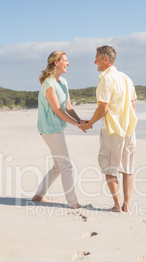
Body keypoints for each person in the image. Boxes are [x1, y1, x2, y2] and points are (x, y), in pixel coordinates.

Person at [81, 46, 137, 212]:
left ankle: (117, 205)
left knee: (109, 167)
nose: (95, 61)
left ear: (106, 59)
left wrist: (89, 123)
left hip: (112, 130)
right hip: (129, 129)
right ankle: (127, 205)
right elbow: (133, 107)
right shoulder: (126, 78)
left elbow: (103, 108)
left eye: (97, 58)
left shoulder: (105, 78)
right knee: (127, 168)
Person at [32, 50, 86, 209]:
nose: (68, 63)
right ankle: (73, 202)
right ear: (56, 63)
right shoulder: (48, 84)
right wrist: (77, 125)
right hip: (49, 130)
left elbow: (67, 106)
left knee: (58, 165)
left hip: (57, 128)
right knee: (65, 165)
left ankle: (38, 196)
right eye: (65, 60)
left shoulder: (63, 83)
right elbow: (57, 110)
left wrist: (79, 120)